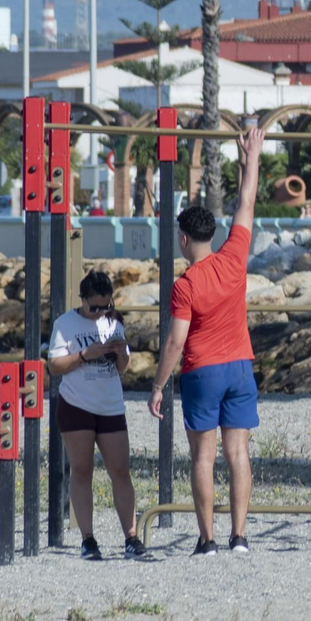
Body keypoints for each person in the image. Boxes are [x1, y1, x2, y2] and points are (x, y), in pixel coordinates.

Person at [149, 127, 265, 556]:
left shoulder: (185, 285)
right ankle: (240, 537)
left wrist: (158, 385)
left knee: (203, 457)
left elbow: (175, 343)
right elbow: (247, 202)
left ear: (183, 239)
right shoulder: (234, 257)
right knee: (238, 453)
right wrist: (252, 156)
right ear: (211, 235)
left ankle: (208, 539)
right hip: (240, 368)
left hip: (203, 371)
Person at [47, 271, 151, 561]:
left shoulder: (114, 321)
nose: (100, 313)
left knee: (121, 471)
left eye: (106, 306)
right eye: (94, 307)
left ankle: (131, 537)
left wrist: (120, 353)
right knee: (82, 470)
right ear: (82, 300)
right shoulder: (65, 324)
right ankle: (88, 539)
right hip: (76, 404)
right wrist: (84, 355)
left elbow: (123, 368)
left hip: (111, 405)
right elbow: (54, 366)